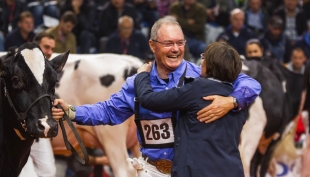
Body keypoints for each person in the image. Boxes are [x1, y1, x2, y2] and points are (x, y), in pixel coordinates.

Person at [52, 17, 261, 176]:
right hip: (151, 170)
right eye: (168, 43)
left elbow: (250, 82)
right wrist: (72, 111)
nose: (176, 49)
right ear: (153, 46)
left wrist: (232, 100)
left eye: (180, 43)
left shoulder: (201, 75)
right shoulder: (137, 82)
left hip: (190, 171)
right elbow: (108, 110)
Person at [133, 41, 246, 177]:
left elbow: (148, 100)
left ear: (211, 64)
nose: (200, 62)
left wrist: (142, 76)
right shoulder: (237, 100)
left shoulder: (198, 89)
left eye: (204, 57)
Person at [19, 32, 57, 177]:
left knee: (49, 172)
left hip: (38, 132)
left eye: (52, 49)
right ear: (35, 47)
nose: (50, 52)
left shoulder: (47, 73)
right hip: (18, 133)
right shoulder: (17, 67)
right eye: (46, 47)